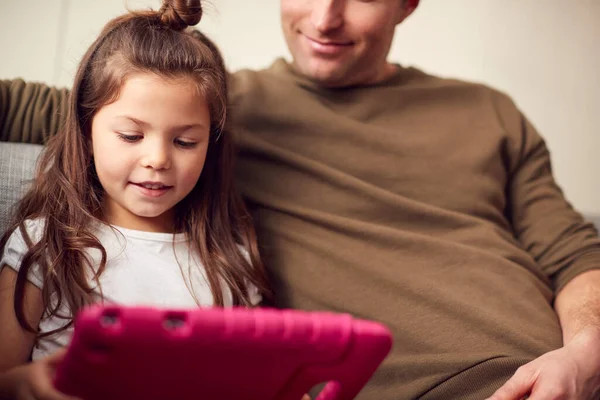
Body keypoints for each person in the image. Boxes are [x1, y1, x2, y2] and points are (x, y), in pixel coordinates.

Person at [1, 0, 600, 399]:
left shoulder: (487, 110)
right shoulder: (204, 103)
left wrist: (582, 355)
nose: (326, 17)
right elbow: (85, 108)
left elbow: (574, 252)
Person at [0, 0, 271, 398]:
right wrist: (24, 384)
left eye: (184, 141)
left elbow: (259, 379)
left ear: (209, 146)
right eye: (130, 136)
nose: (158, 159)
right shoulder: (45, 247)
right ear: (86, 131)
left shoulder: (228, 260)